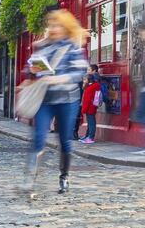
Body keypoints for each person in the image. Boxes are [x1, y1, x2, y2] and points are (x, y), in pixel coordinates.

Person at [19, 10, 87, 194]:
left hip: (67, 100)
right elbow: (30, 68)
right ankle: (30, 179)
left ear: (65, 28)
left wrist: (60, 79)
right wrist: (32, 70)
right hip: (45, 99)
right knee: (38, 137)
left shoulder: (72, 47)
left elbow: (80, 72)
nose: (53, 28)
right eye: (51, 25)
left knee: (64, 140)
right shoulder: (43, 46)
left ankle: (64, 177)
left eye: (57, 25)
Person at [79, 71, 101, 144]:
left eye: (85, 79)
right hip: (91, 107)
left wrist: (84, 109)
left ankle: (90, 137)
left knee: (91, 123)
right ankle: (87, 136)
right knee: (90, 123)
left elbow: (87, 100)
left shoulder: (91, 87)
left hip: (90, 107)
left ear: (89, 80)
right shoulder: (90, 86)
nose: (83, 81)